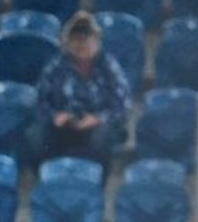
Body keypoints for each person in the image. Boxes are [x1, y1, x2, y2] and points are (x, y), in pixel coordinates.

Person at [34, 11, 131, 175]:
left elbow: (122, 105)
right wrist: (55, 116)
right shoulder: (56, 66)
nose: (81, 44)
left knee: (100, 138)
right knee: (35, 136)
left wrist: (97, 119)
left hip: (99, 123)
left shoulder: (109, 66)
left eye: (87, 39)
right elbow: (41, 100)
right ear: (67, 42)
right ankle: (50, 178)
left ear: (96, 41)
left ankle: (96, 180)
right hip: (65, 123)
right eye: (76, 39)